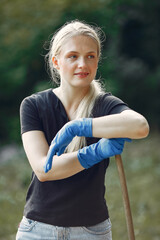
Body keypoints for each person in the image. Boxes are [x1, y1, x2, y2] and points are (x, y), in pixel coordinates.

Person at [16, 20, 149, 240]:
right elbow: (43, 170)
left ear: (97, 61)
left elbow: (140, 126)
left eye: (90, 56)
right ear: (56, 61)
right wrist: (95, 152)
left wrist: (81, 126)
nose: (83, 64)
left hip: (91, 232)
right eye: (73, 56)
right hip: (36, 230)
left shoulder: (104, 105)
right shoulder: (33, 105)